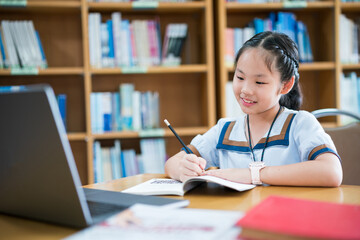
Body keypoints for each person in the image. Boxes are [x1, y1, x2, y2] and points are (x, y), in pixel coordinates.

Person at [165, 31, 342, 187]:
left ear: (286, 85)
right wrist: (182, 168)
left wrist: (252, 175)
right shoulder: (225, 130)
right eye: (240, 77)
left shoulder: (300, 124)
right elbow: (171, 163)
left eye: (259, 82)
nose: (246, 90)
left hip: (286, 218)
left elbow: (331, 172)